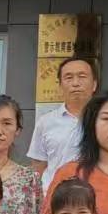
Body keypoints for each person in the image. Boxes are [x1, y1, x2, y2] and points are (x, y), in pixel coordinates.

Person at [28, 55, 97, 192]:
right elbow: (38, 165)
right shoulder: (46, 122)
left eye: (82, 76)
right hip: (54, 196)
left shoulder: (106, 120)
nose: (75, 83)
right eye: (69, 77)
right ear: (60, 85)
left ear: (94, 84)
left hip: (96, 195)